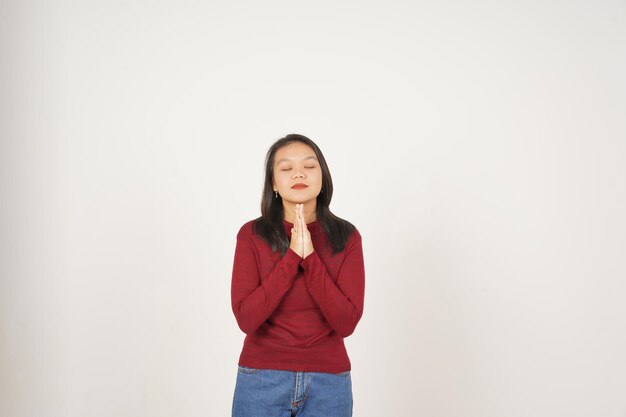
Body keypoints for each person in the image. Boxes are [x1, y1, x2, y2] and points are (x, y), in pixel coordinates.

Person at [230, 134, 366, 417]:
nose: (299, 173)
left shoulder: (347, 237)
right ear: (274, 184)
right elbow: (247, 319)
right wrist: (292, 258)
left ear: (323, 177)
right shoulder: (251, 236)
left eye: (309, 166)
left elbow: (346, 323)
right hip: (261, 379)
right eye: (286, 168)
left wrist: (311, 258)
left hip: (329, 382)